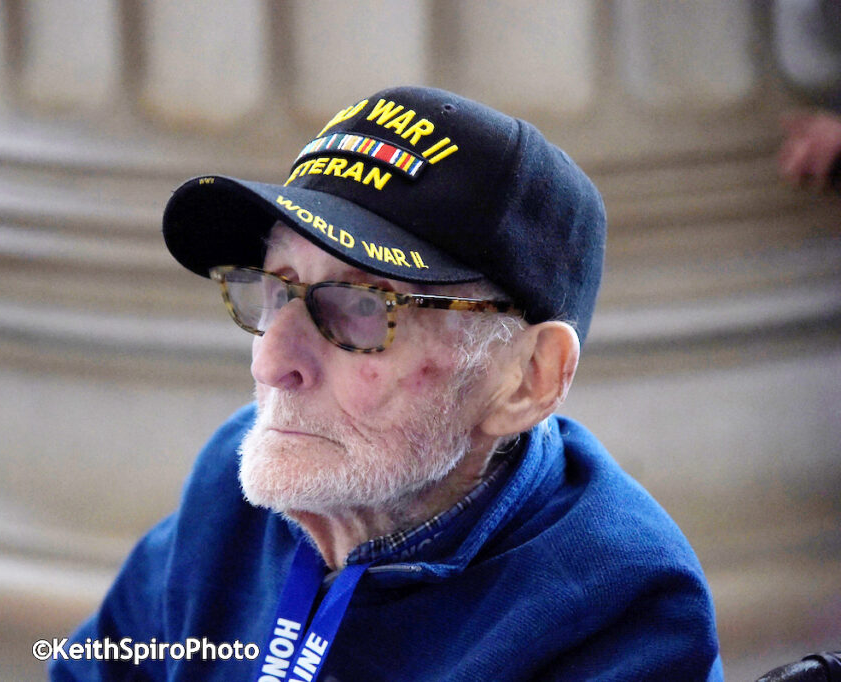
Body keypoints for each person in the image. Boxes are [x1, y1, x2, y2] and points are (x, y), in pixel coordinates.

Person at [50, 86, 722, 681]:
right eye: (277, 289)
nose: (269, 362)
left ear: (528, 380)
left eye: (363, 306)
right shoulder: (234, 493)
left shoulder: (616, 613)